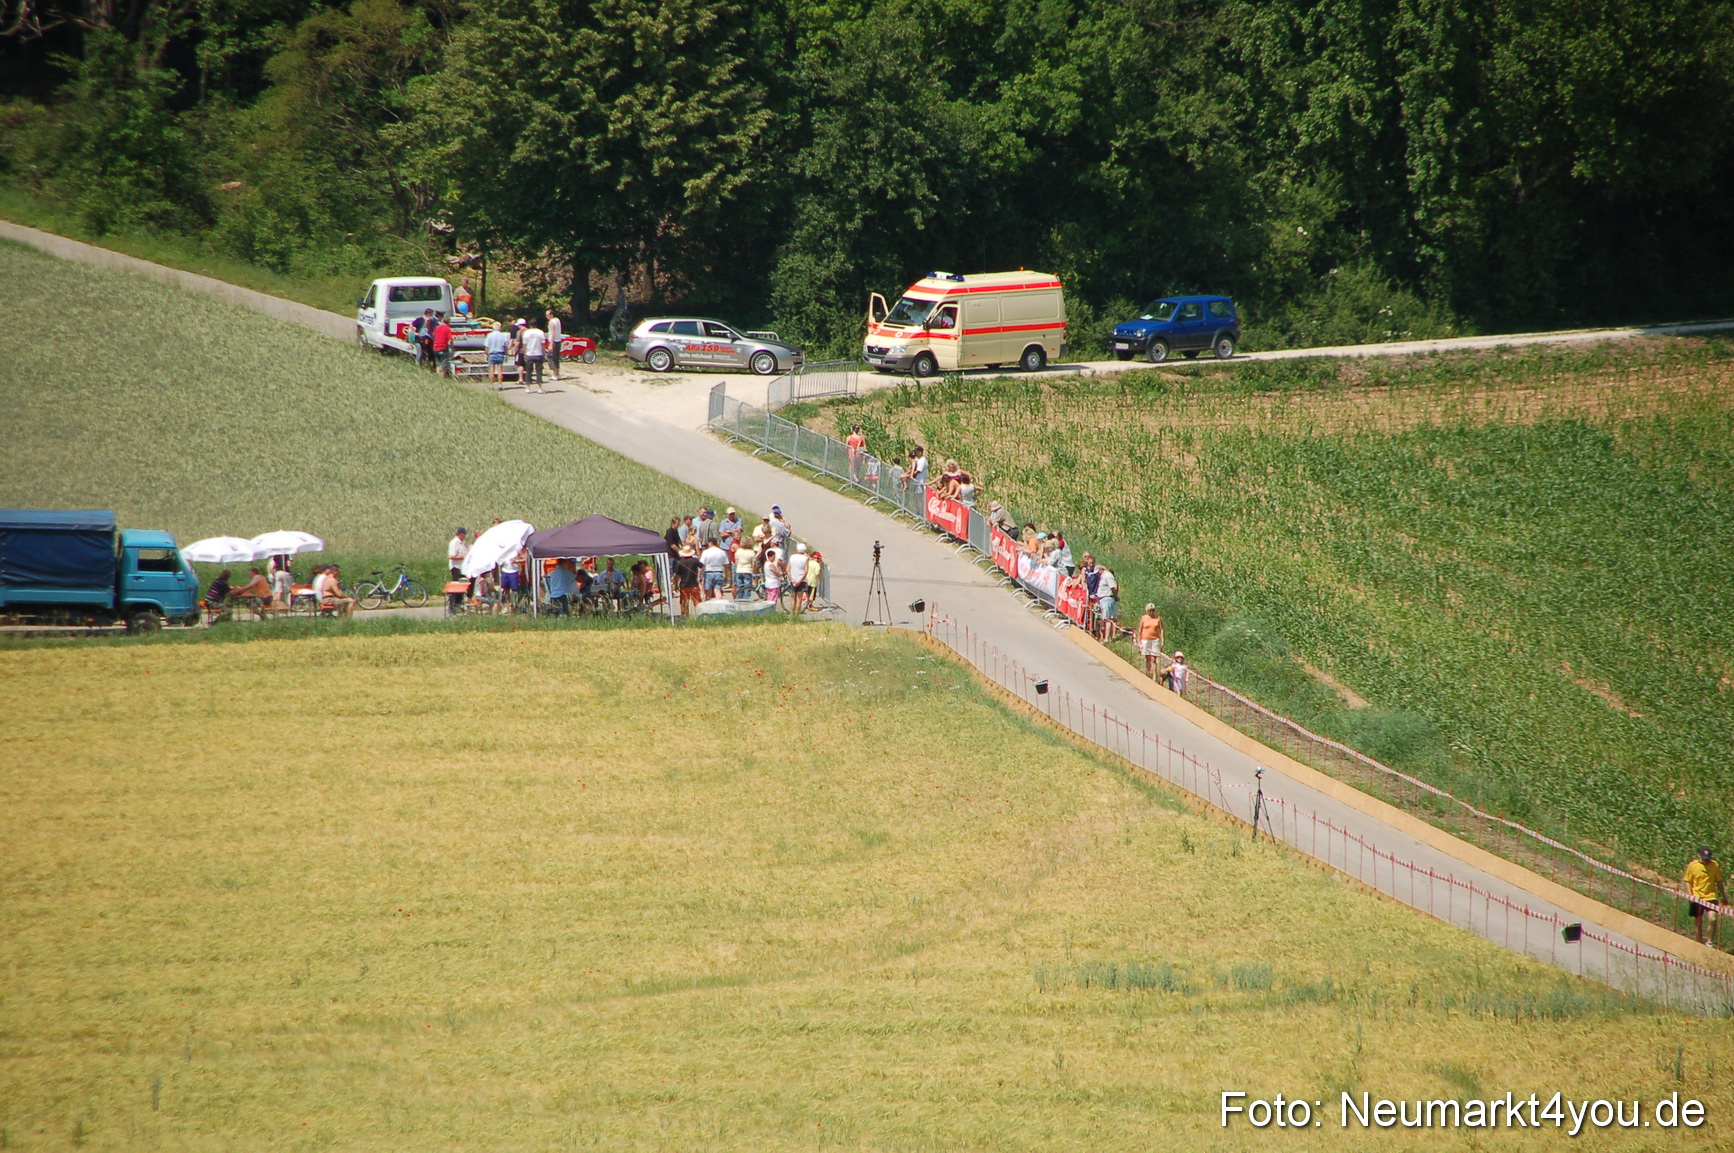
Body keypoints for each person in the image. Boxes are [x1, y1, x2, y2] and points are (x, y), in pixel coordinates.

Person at [1685, 847, 1726, 947]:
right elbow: (1688, 881)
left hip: (1710, 896)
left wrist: (1724, 896)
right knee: (1699, 921)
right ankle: (1698, 942)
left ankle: (1709, 941)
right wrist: (1690, 895)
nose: (1706, 861)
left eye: (1708, 859)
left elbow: (1719, 881)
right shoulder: (1693, 866)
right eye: (1704, 858)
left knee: (1713, 919)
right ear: (1699, 856)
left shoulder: (1714, 865)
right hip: (1697, 897)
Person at [674, 545, 703, 615]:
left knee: (684, 602)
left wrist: (675, 585)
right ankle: (699, 615)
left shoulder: (680, 562)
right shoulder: (695, 561)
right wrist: (699, 576)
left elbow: (677, 575)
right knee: (697, 602)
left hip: (684, 584)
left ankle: (685, 616)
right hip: (694, 584)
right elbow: (702, 566)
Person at [1136, 604, 1165, 675]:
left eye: (1153, 610)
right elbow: (1140, 630)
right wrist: (1139, 641)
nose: (1151, 612)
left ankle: (1155, 676)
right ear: (1147, 611)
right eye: (1150, 611)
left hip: (1155, 639)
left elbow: (1161, 630)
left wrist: (1162, 641)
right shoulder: (1143, 618)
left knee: (1153, 659)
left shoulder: (1158, 618)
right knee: (1148, 657)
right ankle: (1148, 673)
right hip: (1145, 639)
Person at [521, 317, 548, 391]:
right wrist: (544, 353)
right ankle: (540, 387)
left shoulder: (526, 333)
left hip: (529, 353)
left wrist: (524, 354)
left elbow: (524, 345)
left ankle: (528, 388)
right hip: (538, 353)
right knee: (539, 371)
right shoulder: (540, 332)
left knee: (528, 371)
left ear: (529, 325)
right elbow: (543, 344)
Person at [1094, 563, 1119, 638]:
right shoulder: (1103, 576)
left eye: (1098, 572)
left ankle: (1107, 638)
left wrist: (1115, 596)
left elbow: (1113, 587)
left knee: (1107, 619)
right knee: (1104, 619)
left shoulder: (1107, 575)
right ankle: (1103, 636)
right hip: (1103, 599)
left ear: (1101, 570)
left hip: (1107, 599)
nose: (1097, 574)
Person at [484, 321, 511, 387]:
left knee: (492, 370)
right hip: (500, 353)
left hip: (492, 353)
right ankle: (500, 384)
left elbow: (487, 346)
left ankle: (491, 384)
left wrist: (486, 354)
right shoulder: (503, 335)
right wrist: (506, 354)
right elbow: (505, 347)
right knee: (500, 370)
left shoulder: (489, 335)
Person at [732, 534, 758, 599]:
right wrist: (754, 573)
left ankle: (740, 599)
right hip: (747, 570)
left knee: (740, 587)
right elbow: (753, 564)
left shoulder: (738, 551)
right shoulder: (751, 552)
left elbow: (736, 562)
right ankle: (746, 600)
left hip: (739, 570)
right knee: (747, 587)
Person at [787, 543, 811, 613]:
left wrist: (791, 579)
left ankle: (792, 614)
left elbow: (788, 569)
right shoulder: (805, 558)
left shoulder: (792, 557)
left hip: (792, 579)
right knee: (799, 598)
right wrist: (800, 581)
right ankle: (797, 615)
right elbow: (806, 571)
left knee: (792, 597)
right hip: (801, 580)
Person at [431, 312, 455, 376]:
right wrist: (452, 348)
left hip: (435, 348)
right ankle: (443, 377)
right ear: (449, 322)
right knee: (444, 364)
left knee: (438, 364)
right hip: (442, 348)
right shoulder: (447, 329)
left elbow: (434, 335)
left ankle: (438, 377)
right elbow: (450, 340)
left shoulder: (437, 327)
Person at [545, 309, 563, 381]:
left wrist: (551, 344)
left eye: (547, 315)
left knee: (551, 357)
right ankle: (557, 374)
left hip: (554, 341)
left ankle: (554, 374)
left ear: (551, 315)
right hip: (558, 341)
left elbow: (553, 333)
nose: (546, 317)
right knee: (556, 358)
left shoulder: (551, 322)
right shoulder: (557, 320)